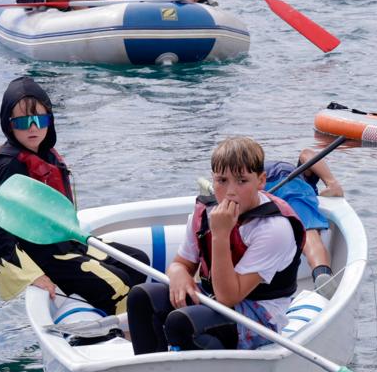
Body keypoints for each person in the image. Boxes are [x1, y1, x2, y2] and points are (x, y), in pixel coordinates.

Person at [0, 76, 144, 312]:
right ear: (8, 123)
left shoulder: (47, 155)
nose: (33, 128)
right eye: (23, 122)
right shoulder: (6, 166)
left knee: (138, 261)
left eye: (40, 119)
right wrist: (31, 276)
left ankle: (122, 322)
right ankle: (129, 337)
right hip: (42, 255)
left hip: (66, 244)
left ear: (49, 120)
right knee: (119, 285)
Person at [125, 137, 305, 354]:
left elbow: (228, 297)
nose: (230, 191)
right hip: (212, 296)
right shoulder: (205, 213)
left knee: (181, 323)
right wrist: (178, 274)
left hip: (258, 315)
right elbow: (181, 263)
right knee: (141, 297)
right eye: (222, 181)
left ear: (261, 180)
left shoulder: (274, 229)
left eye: (242, 181)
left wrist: (221, 234)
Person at [265, 149, 345, 286]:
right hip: (285, 182)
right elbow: (306, 153)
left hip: (253, 184)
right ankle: (322, 273)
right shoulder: (298, 182)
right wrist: (331, 182)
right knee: (308, 231)